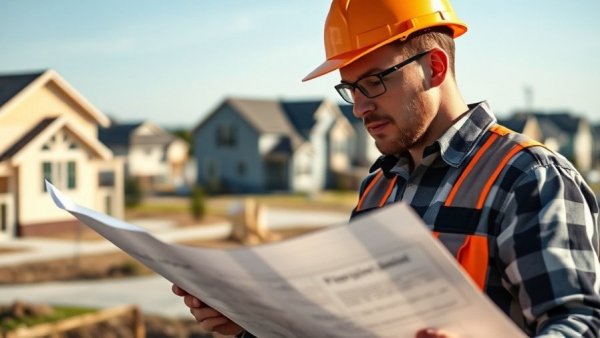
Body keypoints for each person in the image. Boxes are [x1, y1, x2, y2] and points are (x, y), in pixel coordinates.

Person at [173, 0, 600, 337]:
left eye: (373, 82)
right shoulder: (379, 186)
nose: (359, 107)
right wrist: (248, 323)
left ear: (434, 67)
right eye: (349, 88)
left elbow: (580, 323)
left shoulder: (529, 177)